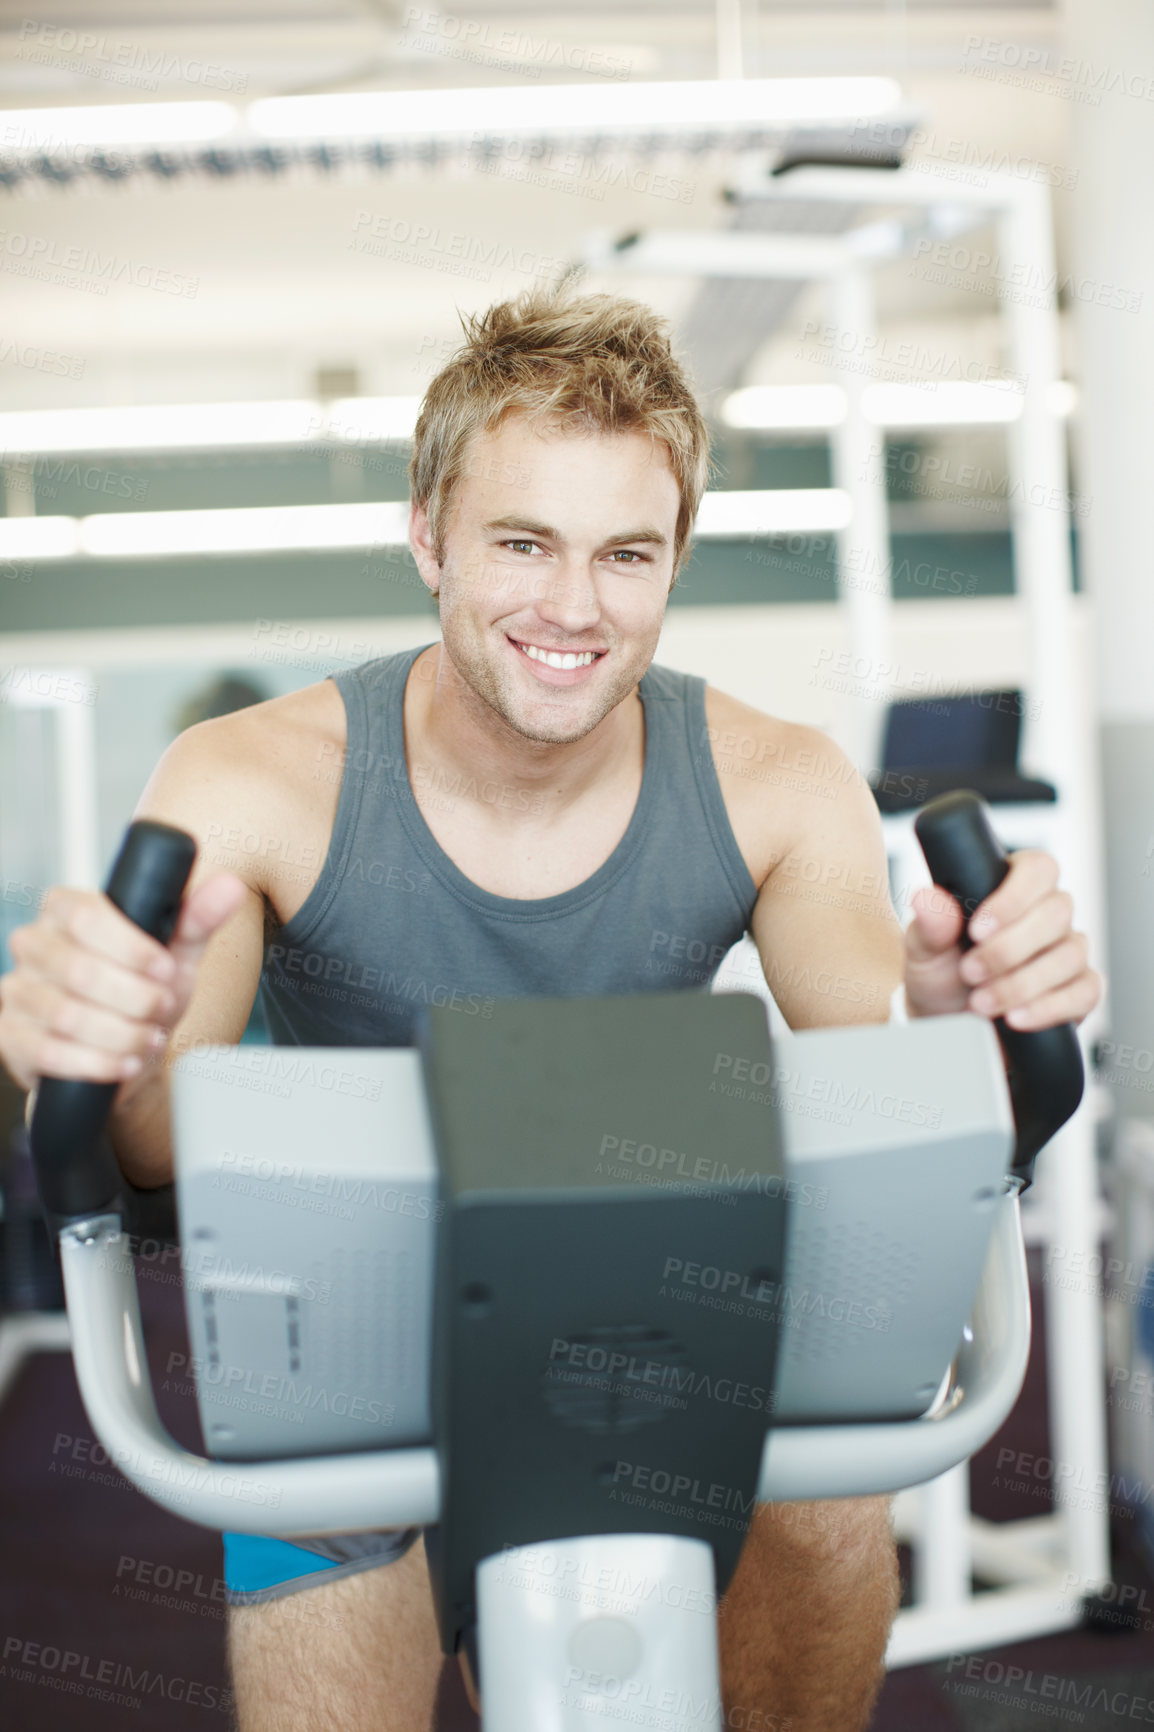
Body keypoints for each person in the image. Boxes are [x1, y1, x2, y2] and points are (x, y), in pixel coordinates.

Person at [0, 285, 1101, 1732]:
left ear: (671, 563)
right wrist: (105, 1049)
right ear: (427, 538)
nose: (572, 607)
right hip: (347, 1335)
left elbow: (873, 1121)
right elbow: (148, 1154)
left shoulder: (778, 780)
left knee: (835, 1498)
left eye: (623, 554)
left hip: (665, 1302)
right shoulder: (248, 777)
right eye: (521, 543)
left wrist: (960, 1037)